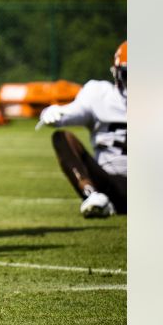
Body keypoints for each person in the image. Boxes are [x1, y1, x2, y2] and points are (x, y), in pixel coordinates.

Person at [38, 42, 127, 217]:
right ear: (117, 73)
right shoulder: (100, 94)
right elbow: (74, 111)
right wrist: (56, 113)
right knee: (62, 137)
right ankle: (92, 196)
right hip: (109, 182)